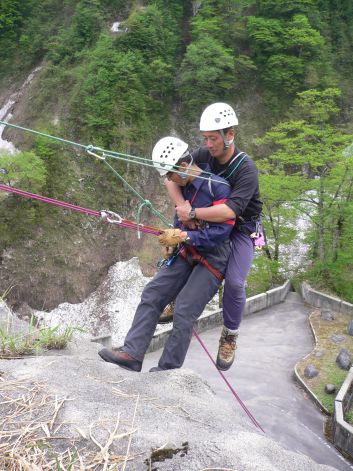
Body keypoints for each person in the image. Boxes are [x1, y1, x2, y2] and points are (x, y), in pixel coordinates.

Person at [98, 136, 235, 372]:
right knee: (153, 293)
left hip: (213, 257)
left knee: (184, 309)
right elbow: (179, 215)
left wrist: (185, 236)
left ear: (182, 167)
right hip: (188, 250)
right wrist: (174, 235)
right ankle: (132, 353)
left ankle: (167, 370)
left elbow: (222, 232)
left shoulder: (218, 187)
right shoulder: (182, 186)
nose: (168, 180)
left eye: (169, 174)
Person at [165, 103, 263, 371]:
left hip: (241, 228)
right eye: (205, 138)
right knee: (183, 250)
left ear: (229, 134)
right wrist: (182, 210)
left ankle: (230, 334)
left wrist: (193, 211)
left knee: (234, 282)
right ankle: (175, 298)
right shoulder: (203, 156)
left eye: (213, 138)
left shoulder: (245, 168)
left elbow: (231, 211)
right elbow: (171, 177)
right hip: (205, 218)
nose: (208, 144)